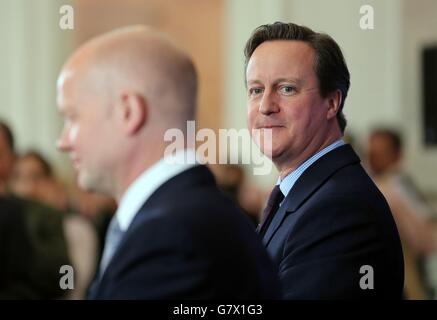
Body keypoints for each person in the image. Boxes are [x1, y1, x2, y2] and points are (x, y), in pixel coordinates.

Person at [56, 25, 280, 299]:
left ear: (128, 112)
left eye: (72, 117)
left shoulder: (168, 238)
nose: (63, 141)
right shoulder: (189, 215)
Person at [244, 22, 404, 299]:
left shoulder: (340, 209)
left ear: (332, 103)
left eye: (286, 89)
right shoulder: (302, 194)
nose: (265, 106)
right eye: (256, 90)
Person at [367, 128, 437, 299]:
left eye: (381, 153)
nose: (374, 158)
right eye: (372, 152)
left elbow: (426, 238)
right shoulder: (385, 186)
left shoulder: (394, 187)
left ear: (397, 155)